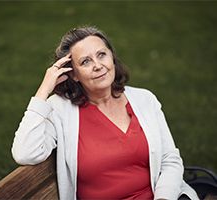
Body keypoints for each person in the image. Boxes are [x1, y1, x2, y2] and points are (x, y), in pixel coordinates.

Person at [11, 26, 199, 200]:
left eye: (102, 55)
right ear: (73, 74)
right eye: (85, 61)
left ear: (112, 57)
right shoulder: (60, 110)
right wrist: (44, 89)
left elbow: (170, 159)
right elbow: (24, 153)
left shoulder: (144, 100)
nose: (98, 65)